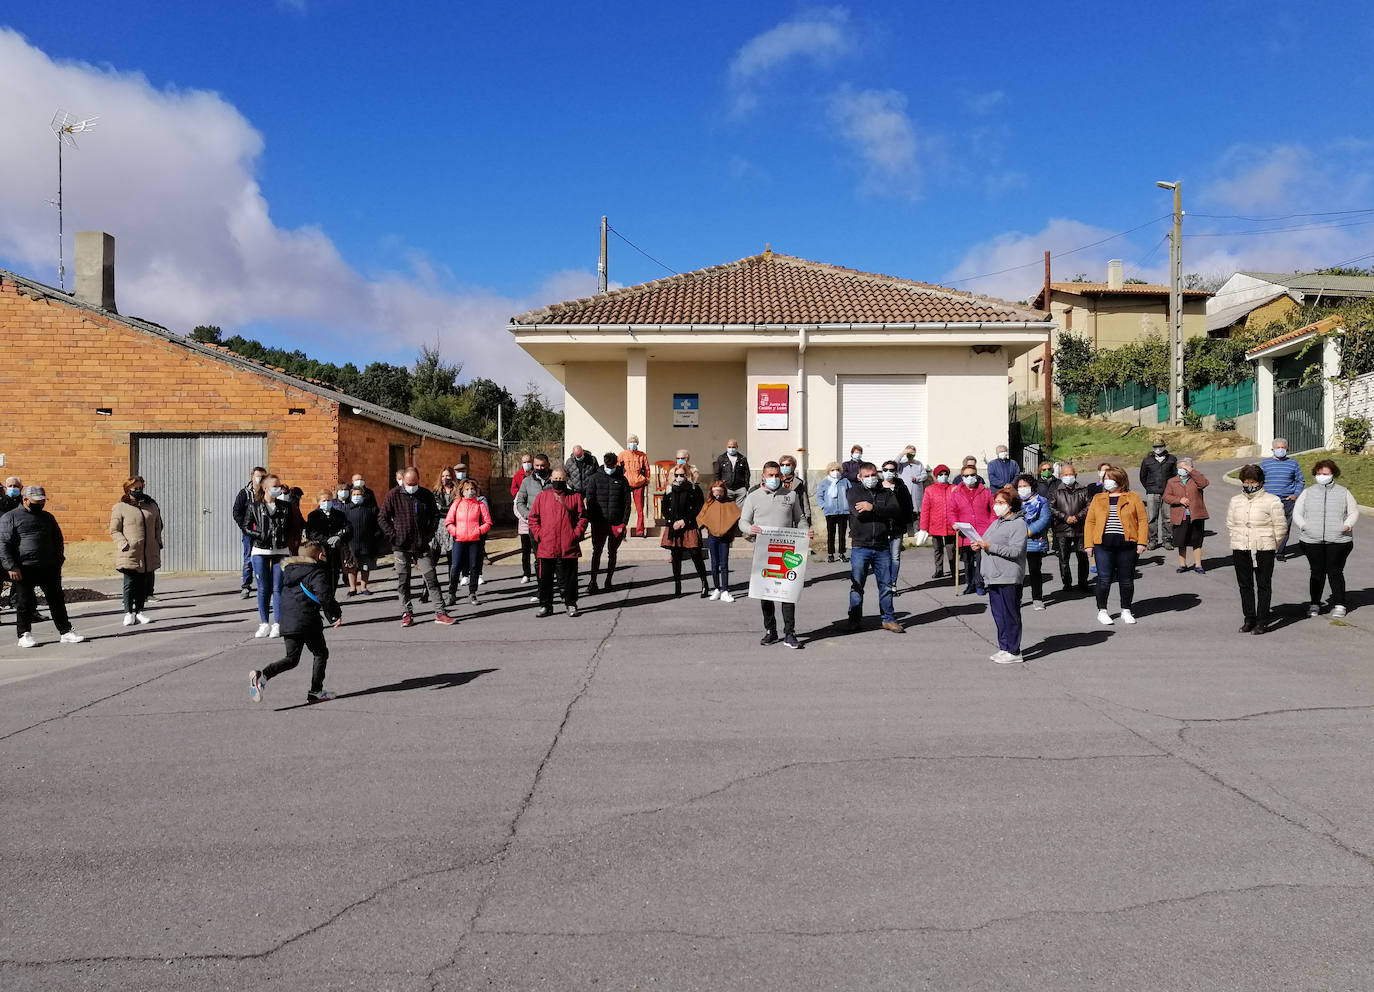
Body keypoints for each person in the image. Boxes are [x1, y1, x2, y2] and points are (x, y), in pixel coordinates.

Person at [249, 540, 343, 705]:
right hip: (307, 620)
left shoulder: (289, 571)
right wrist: (335, 614)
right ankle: (316, 691)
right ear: (320, 556)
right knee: (320, 653)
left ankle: (262, 676)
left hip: (287, 621)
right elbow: (324, 596)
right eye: (325, 555)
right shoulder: (316, 572)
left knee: (292, 658)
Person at [0, 485, 84, 647]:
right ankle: (24, 634)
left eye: (42, 501)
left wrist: (59, 560)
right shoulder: (10, 517)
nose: (40, 504)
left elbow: (57, 539)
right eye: (36, 501)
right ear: (25, 500)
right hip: (24, 567)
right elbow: (3, 543)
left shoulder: (48, 517)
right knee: (24, 602)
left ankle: (66, 631)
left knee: (57, 601)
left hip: (49, 567)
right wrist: (11, 566)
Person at [741, 461, 811, 646]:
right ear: (763, 476)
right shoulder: (753, 497)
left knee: (787, 593)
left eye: (776, 475)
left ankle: (790, 633)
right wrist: (750, 528)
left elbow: (800, 519)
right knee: (766, 593)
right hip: (763, 552)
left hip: (787, 550)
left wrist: (805, 531)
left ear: (781, 476)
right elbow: (743, 522)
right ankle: (770, 630)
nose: (773, 478)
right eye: (770, 475)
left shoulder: (791, 495)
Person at [379, 467, 455, 626]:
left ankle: (440, 613)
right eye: (408, 483)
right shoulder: (393, 495)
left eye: (414, 483)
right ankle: (406, 613)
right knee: (403, 581)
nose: (411, 486)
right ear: (403, 481)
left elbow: (435, 516)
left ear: (418, 480)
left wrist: (428, 534)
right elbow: (382, 518)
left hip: (421, 546)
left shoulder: (425, 495)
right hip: (401, 547)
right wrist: (394, 536)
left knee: (431, 578)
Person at [1293, 458, 1359, 619]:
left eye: (1326, 473)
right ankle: (1314, 603)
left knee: (1335, 572)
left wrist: (1347, 526)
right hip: (1311, 540)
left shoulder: (1343, 492)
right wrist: (1304, 526)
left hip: (1338, 540)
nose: (1322, 476)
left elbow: (1353, 511)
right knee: (1316, 572)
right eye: (1319, 473)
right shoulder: (1308, 492)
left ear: (1332, 474)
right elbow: (1297, 513)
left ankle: (1339, 604)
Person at [1227, 465, 1288, 634]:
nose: (1249, 485)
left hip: (1263, 548)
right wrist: (1237, 537)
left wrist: (1271, 544)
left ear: (1260, 482)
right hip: (1241, 547)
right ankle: (1249, 618)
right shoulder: (1236, 500)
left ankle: (1262, 620)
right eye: (1246, 482)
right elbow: (1230, 523)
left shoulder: (1272, 500)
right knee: (1244, 585)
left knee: (1263, 585)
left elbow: (1281, 526)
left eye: (1252, 481)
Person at [1084, 466, 1148, 625]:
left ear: (1120, 480)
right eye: (1105, 479)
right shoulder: (1098, 498)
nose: (1107, 482)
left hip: (1127, 545)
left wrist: (1142, 541)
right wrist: (1088, 544)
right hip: (1103, 545)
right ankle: (1102, 610)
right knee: (1104, 578)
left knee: (1126, 579)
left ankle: (1126, 609)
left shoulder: (1133, 497)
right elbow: (1090, 521)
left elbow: (1142, 520)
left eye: (1110, 479)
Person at [846, 462, 903, 633]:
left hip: (882, 546)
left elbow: (895, 511)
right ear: (860, 477)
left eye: (873, 475)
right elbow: (859, 514)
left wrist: (873, 507)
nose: (871, 479)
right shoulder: (853, 491)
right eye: (866, 476)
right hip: (860, 546)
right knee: (857, 585)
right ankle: (854, 620)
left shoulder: (886, 492)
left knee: (886, 585)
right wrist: (881, 511)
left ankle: (888, 619)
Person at [977, 486, 1028, 664]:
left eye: (1001, 503)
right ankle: (1004, 646)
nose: (997, 506)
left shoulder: (1018, 524)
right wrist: (979, 544)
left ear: (1011, 504)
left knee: (1010, 614)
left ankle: (1014, 650)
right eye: (996, 502)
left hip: (1009, 576)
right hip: (993, 575)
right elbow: (986, 539)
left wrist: (990, 546)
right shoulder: (997, 521)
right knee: (999, 614)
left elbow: (1015, 551)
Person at [528, 467, 587, 617]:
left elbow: (583, 518)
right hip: (547, 545)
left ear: (566, 480)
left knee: (570, 579)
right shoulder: (542, 497)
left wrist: (576, 534)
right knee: (544, 579)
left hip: (568, 545)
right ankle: (545, 605)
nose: (558, 481)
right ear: (551, 479)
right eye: (555, 478)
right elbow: (533, 518)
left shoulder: (575, 497)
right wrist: (540, 534)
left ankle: (571, 603)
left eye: (561, 479)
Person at [241, 474, 292, 638]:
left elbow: (291, 526)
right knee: (263, 588)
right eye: (275, 486)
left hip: (281, 551)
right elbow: (246, 527)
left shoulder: (285, 507)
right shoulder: (254, 506)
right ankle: (264, 623)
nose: (278, 488)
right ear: (265, 488)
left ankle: (277, 623)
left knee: (278, 588)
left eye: (279, 485)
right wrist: (260, 535)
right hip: (261, 551)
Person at [109, 475, 163, 626]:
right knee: (129, 583)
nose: (138, 490)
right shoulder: (120, 507)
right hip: (130, 552)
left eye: (140, 487)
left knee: (142, 584)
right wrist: (124, 544)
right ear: (128, 489)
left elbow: (158, 526)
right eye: (135, 488)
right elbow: (114, 530)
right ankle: (128, 612)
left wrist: (157, 542)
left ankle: (139, 611)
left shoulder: (151, 505)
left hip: (147, 551)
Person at [660, 462, 710, 597]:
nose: (679, 477)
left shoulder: (694, 489)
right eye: (676, 475)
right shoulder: (670, 489)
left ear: (687, 475)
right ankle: (677, 586)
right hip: (674, 525)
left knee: (695, 554)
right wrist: (672, 521)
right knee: (675, 556)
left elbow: (698, 508)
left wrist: (685, 521)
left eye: (682, 475)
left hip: (689, 525)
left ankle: (704, 583)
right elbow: (664, 507)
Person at [584, 452, 631, 593]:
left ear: (616, 464)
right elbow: (590, 501)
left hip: (616, 523)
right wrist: (592, 520)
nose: (610, 468)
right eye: (607, 465)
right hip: (599, 523)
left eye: (612, 465)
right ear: (604, 463)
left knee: (612, 552)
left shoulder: (622, 480)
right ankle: (593, 582)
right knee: (596, 552)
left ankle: (608, 581)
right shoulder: (594, 479)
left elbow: (627, 503)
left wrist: (624, 523)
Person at [949, 463, 994, 595]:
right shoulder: (956, 493)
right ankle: (969, 584)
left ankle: (979, 583)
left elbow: (993, 510)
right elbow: (951, 511)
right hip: (964, 531)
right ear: (962, 477)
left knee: (980, 559)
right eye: (966, 475)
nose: (970, 477)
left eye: (972, 475)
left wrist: (991, 525)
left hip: (982, 531)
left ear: (977, 475)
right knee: (967, 561)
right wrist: (954, 523)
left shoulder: (986, 491)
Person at [445, 479, 492, 606]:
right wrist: (456, 532)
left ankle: (472, 593)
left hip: (474, 541)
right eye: (467, 489)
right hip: (459, 540)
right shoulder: (457, 503)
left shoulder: (480, 504)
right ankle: (452, 594)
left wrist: (478, 531)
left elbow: (488, 522)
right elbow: (448, 522)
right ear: (462, 491)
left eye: (472, 489)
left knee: (474, 567)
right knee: (455, 567)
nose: (470, 492)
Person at [1050, 463, 1092, 593]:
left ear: (1075, 475)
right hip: (1062, 528)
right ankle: (1067, 583)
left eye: (1071, 474)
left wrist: (1077, 517)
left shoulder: (1083, 490)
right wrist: (1065, 517)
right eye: (1065, 474)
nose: (1068, 477)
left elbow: (1089, 506)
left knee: (1082, 557)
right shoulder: (1056, 491)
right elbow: (1052, 508)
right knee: (1063, 558)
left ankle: (1083, 583)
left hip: (1080, 528)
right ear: (1061, 476)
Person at [1163, 457, 1209, 574]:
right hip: (1180, 515)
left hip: (1196, 515)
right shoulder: (1172, 481)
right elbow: (1166, 497)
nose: (1181, 470)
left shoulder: (1195, 480)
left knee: (1196, 541)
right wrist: (1179, 500)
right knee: (1181, 541)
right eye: (1179, 468)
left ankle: (1198, 565)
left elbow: (1204, 483)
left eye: (1184, 467)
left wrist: (1192, 471)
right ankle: (1182, 564)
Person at [1261, 438, 1305, 559]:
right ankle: (1267, 550)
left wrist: (1295, 494)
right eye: (1278, 447)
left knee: (1284, 527)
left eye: (1283, 448)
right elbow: (1259, 481)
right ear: (1272, 449)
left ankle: (1280, 551)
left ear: (1287, 449)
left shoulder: (1293, 463)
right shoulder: (1265, 464)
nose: (1280, 450)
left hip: (1287, 500)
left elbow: (1300, 480)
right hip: (1268, 501)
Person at [699, 479, 741, 602]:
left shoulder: (730, 503)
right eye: (715, 492)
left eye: (720, 492)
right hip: (712, 537)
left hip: (725, 538)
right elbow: (701, 518)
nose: (717, 495)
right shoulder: (708, 503)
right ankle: (717, 588)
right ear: (711, 492)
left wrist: (730, 533)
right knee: (714, 563)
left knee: (724, 564)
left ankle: (725, 590)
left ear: (724, 492)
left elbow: (735, 517)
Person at [514, 454, 552, 588]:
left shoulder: (555, 480)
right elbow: (520, 502)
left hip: (552, 525)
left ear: (548, 464)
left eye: (542, 465)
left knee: (553, 557)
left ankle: (554, 584)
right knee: (538, 558)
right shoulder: (526, 481)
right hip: (535, 526)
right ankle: (542, 587)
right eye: (537, 466)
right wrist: (529, 516)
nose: (540, 468)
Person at [305, 490, 352, 592]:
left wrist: (339, 537)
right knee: (322, 575)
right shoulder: (313, 515)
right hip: (321, 550)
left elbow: (348, 528)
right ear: (319, 502)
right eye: (324, 500)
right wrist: (326, 540)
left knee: (334, 575)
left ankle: (332, 598)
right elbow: (311, 533)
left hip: (336, 550)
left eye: (328, 500)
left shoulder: (339, 514)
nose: (326, 502)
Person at [880, 459, 913, 598]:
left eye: (891, 470)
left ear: (896, 472)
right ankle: (884, 584)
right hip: (882, 529)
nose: (888, 472)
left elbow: (908, 507)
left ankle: (893, 584)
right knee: (883, 558)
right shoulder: (878, 487)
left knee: (895, 557)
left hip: (898, 528)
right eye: (886, 470)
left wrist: (908, 526)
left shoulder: (901, 487)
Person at [1017, 473, 1051, 611]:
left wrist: (1029, 531)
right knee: (1017, 573)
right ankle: (1016, 598)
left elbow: (1044, 519)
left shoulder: (1041, 501)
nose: (1022, 488)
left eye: (1025, 486)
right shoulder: (1014, 501)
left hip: (1034, 542)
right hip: (1017, 541)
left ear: (1032, 486)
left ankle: (1037, 598)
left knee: (1035, 571)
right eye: (1020, 486)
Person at [232, 467, 267, 599]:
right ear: (252, 476)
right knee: (248, 559)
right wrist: (244, 527)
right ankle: (246, 586)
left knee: (263, 558)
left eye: (262, 477)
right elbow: (236, 511)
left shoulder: (266, 493)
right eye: (257, 476)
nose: (259, 479)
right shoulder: (244, 493)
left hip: (263, 532)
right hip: (249, 533)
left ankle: (264, 585)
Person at [1139, 437, 1178, 550]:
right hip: (1152, 492)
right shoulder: (1147, 460)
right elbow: (1143, 476)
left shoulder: (1172, 459)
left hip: (1168, 492)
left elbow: (1175, 474)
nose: (1158, 449)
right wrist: (1149, 487)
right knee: (1152, 517)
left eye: (1160, 446)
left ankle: (1167, 540)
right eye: (1155, 447)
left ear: (1164, 447)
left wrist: (1172, 489)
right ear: (1153, 448)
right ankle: (1152, 540)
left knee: (1168, 517)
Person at [342, 483, 380, 596]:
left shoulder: (371, 509)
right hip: (350, 544)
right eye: (354, 494)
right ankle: (352, 588)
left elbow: (377, 524)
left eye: (359, 494)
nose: (356, 496)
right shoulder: (346, 509)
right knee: (351, 567)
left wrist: (376, 536)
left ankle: (364, 587)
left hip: (366, 543)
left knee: (365, 567)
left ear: (363, 496)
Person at [919, 464, 955, 579]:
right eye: (940, 474)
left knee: (952, 549)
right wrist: (923, 528)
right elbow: (925, 509)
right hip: (935, 524)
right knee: (938, 549)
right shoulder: (930, 490)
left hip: (950, 525)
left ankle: (954, 570)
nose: (943, 476)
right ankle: (939, 570)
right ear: (936, 476)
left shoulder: (954, 488)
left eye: (945, 474)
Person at [815, 461, 851, 562]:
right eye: (833, 470)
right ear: (828, 471)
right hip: (830, 512)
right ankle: (830, 554)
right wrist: (824, 506)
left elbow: (850, 494)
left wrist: (849, 506)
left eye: (838, 470)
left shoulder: (845, 481)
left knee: (842, 534)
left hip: (843, 512)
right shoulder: (824, 483)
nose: (836, 472)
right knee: (831, 533)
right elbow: (819, 496)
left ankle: (842, 553)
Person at [618, 435, 650, 538]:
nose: (632, 443)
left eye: (634, 442)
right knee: (624, 508)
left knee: (640, 509)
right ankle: (621, 531)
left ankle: (640, 531)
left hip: (639, 484)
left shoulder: (642, 455)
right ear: (627, 443)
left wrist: (646, 480)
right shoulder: (622, 455)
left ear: (637, 443)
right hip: (626, 484)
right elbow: (618, 468)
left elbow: (647, 469)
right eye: (631, 442)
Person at [433, 468, 458, 588]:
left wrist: (444, 510)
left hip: (453, 526)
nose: (445, 478)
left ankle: (451, 588)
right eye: (443, 476)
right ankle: (427, 589)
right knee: (433, 560)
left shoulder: (458, 492)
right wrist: (447, 510)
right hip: (438, 527)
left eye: (448, 476)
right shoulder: (436, 492)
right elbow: (435, 510)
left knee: (452, 560)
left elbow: (456, 509)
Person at [778, 454, 812, 537]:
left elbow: (804, 500)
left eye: (787, 465)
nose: (784, 467)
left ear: (793, 466)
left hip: (795, 516)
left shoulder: (799, 482)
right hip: (780, 516)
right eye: (782, 465)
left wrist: (807, 516)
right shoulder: (776, 481)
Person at [898, 446, 927, 532]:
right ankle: (905, 531)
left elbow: (924, 475)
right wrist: (902, 453)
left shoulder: (919, 464)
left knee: (916, 512)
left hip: (916, 491)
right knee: (904, 510)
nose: (911, 455)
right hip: (904, 491)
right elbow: (894, 463)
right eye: (909, 453)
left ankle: (916, 531)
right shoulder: (901, 464)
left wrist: (917, 478)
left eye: (913, 453)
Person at [714, 439, 752, 504]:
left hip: (740, 489)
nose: (731, 449)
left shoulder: (742, 459)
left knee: (740, 511)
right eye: (729, 447)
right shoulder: (721, 458)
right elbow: (717, 473)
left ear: (737, 447)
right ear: (727, 447)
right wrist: (719, 486)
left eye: (733, 447)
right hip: (726, 489)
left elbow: (747, 473)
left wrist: (746, 487)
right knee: (728, 510)